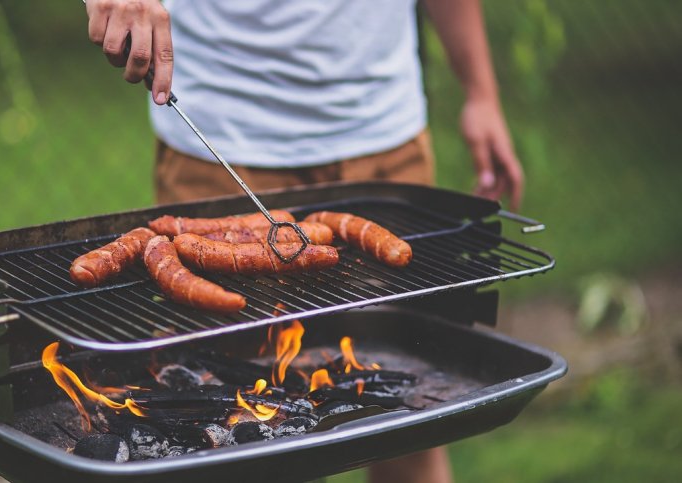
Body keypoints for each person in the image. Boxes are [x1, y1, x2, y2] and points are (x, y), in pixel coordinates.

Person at [86, 1, 523, 481]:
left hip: (384, 134)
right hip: (218, 138)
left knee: (408, 421)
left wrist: (481, 92)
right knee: (224, 425)